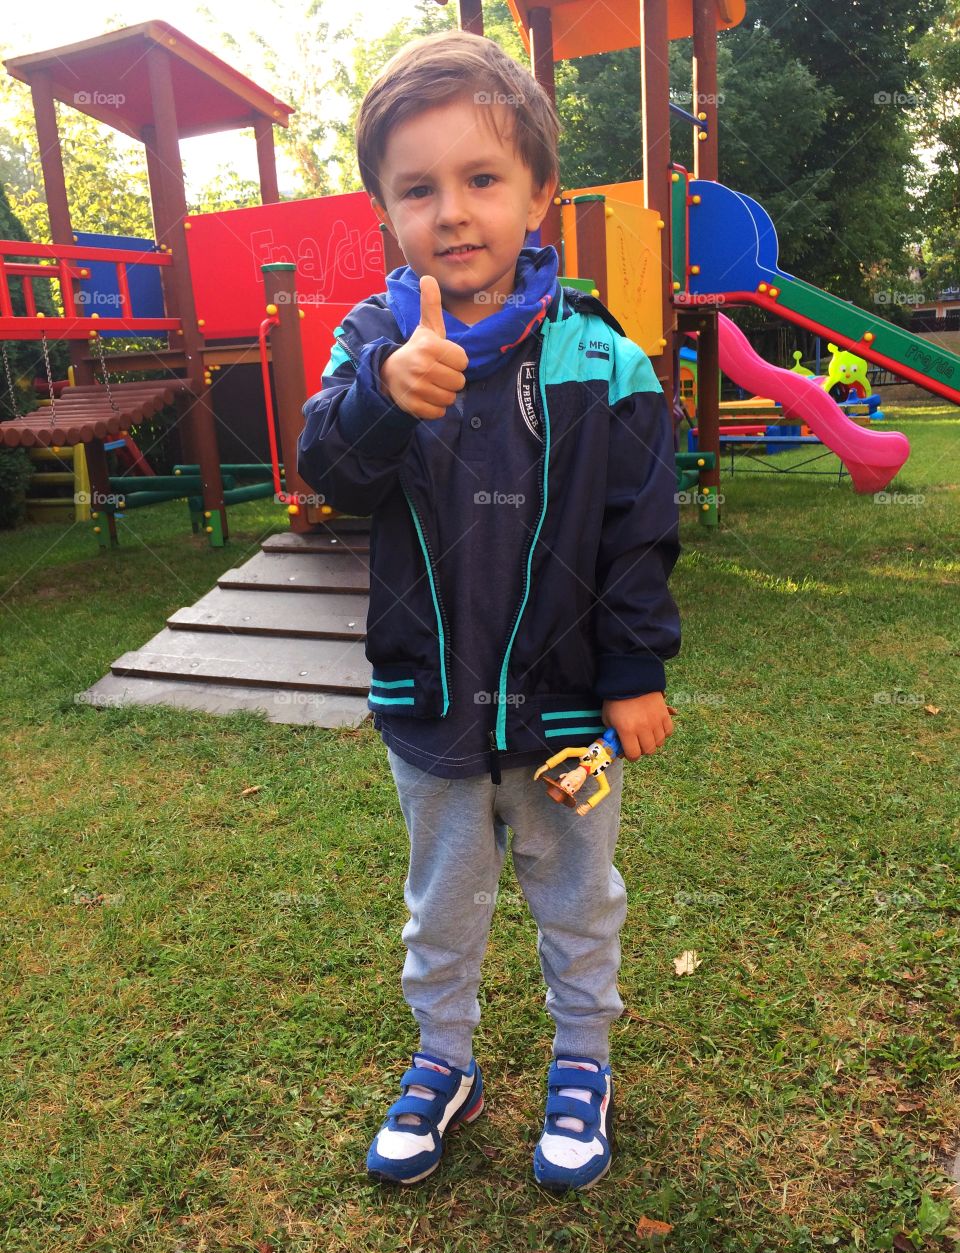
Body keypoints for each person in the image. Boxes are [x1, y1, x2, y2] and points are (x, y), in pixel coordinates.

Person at [297, 29, 681, 1192]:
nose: (452, 212)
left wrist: (636, 667)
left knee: (577, 892)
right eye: (419, 189)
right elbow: (328, 468)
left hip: (569, 708)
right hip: (431, 698)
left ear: (539, 194)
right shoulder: (372, 342)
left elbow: (638, 525)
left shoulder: (604, 355)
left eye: (481, 180)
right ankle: (444, 1057)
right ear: (385, 213)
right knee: (443, 905)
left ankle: (582, 1058)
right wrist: (381, 401)